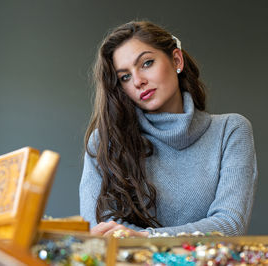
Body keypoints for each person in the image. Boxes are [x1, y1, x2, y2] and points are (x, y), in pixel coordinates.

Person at [79, 21, 257, 237]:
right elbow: (100, 228)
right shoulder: (105, 141)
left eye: (147, 63)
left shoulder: (230, 131)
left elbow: (230, 224)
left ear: (176, 60)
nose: (138, 81)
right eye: (125, 76)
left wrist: (145, 237)